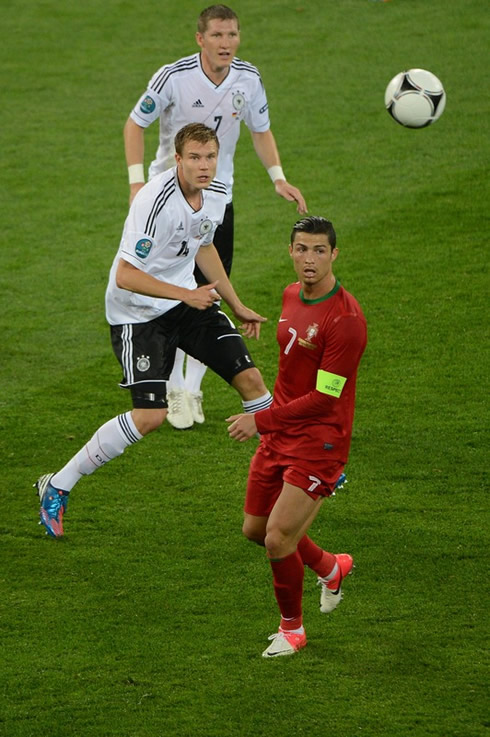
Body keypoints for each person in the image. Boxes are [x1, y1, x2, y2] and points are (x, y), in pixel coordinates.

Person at [35, 123, 272, 539]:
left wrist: (235, 303)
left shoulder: (216, 192)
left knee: (252, 381)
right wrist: (186, 293)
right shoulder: (154, 201)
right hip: (138, 314)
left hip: (188, 301)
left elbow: (203, 245)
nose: (204, 166)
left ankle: (305, 473)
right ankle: (57, 485)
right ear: (177, 159)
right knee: (150, 417)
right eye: (195, 158)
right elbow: (126, 275)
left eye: (210, 156)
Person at [124, 4, 307, 430]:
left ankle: (190, 387)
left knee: (209, 287)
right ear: (200, 39)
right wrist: (136, 184)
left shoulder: (249, 79)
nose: (227, 43)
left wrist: (277, 177)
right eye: (218, 36)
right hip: (167, 197)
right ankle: (168, 379)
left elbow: (260, 130)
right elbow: (135, 124)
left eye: (233, 35)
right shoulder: (173, 77)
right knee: (168, 285)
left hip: (217, 200)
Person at [227, 216, 367, 657]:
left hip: (320, 440)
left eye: (319, 251)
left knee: (277, 538)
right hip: (283, 431)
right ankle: (330, 567)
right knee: (255, 529)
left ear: (334, 255)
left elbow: (326, 400)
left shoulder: (345, 320)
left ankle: (292, 630)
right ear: (290, 251)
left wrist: (263, 419)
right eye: (302, 249)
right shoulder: (290, 295)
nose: (310, 260)